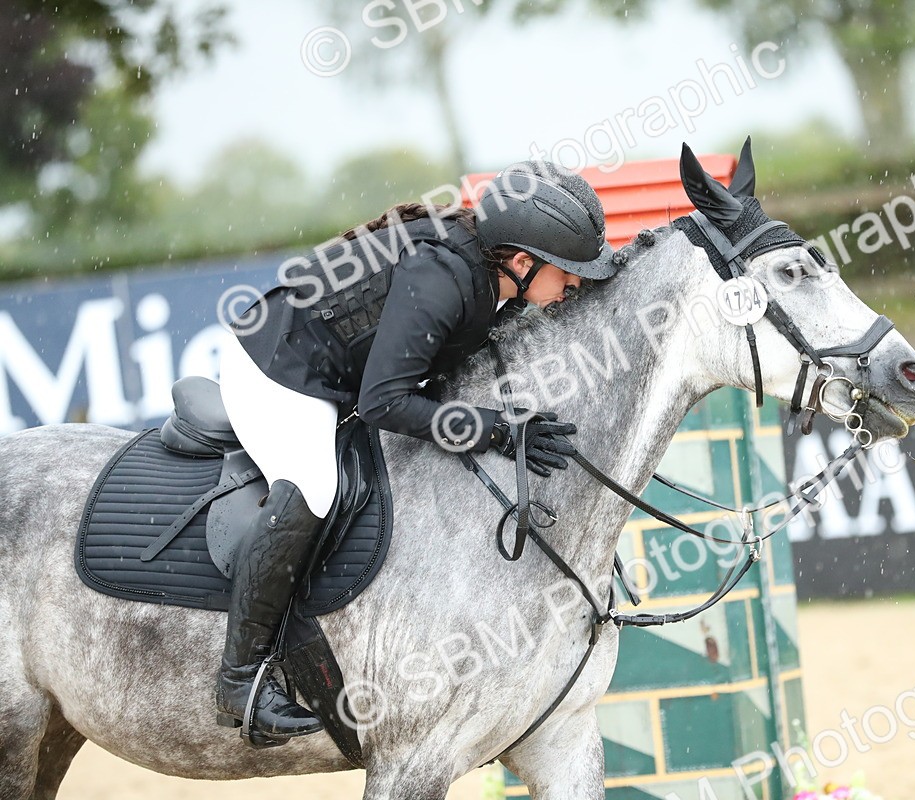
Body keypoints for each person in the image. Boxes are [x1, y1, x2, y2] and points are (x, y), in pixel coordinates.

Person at [214, 161, 617, 745]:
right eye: (569, 273)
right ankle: (240, 678)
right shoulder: (442, 278)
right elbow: (384, 405)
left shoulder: (487, 274)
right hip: (276, 372)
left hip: (328, 372)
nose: (575, 285)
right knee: (316, 485)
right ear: (522, 263)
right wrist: (499, 432)